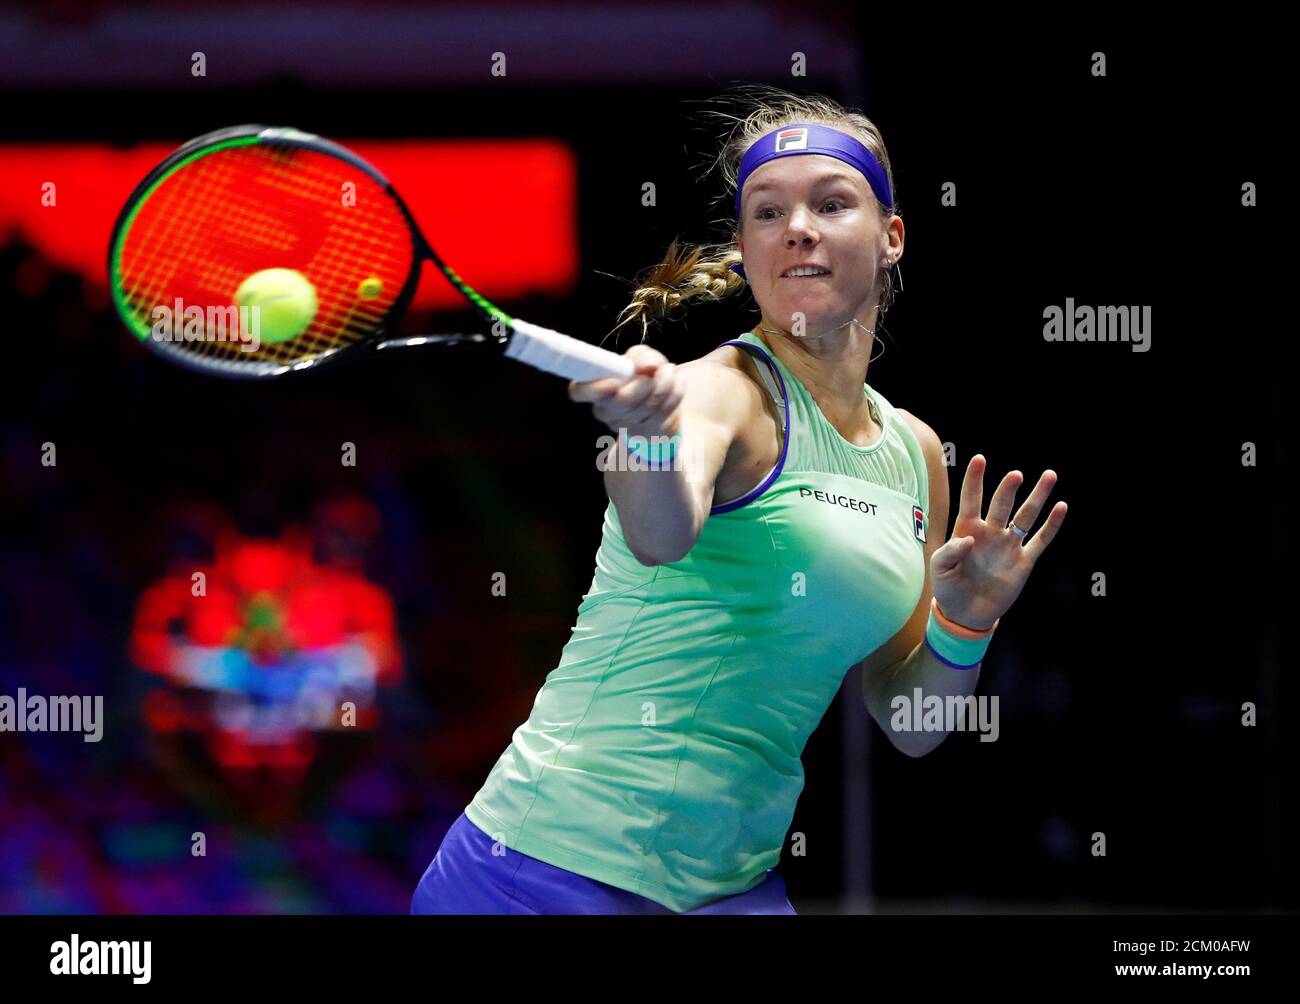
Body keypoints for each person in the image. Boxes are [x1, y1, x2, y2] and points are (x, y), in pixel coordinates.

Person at [411, 85, 1067, 916]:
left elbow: (912, 724)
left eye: (831, 203)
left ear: (893, 236)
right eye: (768, 212)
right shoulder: (719, 394)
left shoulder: (914, 455)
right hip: (544, 871)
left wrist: (966, 621)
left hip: (731, 889)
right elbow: (659, 532)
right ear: (748, 246)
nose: (798, 227)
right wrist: (643, 433)